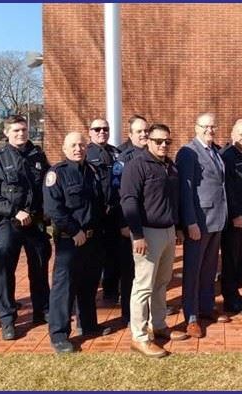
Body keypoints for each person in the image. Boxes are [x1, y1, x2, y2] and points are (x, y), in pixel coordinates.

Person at [0, 115, 52, 340]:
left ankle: (42, 311)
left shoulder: (38, 156)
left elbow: (48, 186)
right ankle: (8, 319)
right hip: (9, 223)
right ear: (6, 133)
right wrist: (13, 211)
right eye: (16, 131)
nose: (21, 134)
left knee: (39, 268)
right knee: (4, 272)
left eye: (23, 130)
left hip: (35, 222)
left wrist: (47, 213)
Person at [120, 123, 189, 358]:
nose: (163, 145)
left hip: (168, 231)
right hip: (147, 234)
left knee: (162, 283)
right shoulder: (136, 166)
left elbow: (175, 200)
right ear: (148, 140)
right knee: (143, 286)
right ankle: (139, 337)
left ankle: (158, 326)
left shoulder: (170, 166)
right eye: (158, 141)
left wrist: (177, 227)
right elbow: (128, 201)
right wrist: (137, 234)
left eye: (167, 142)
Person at [44, 132, 113, 353]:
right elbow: (54, 209)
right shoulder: (57, 174)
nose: (78, 149)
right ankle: (59, 334)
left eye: (81, 145)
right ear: (64, 149)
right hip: (70, 242)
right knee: (64, 289)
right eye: (73, 145)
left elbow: (100, 204)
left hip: (94, 239)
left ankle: (88, 325)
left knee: (89, 284)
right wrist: (74, 231)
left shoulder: (92, 171)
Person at [176, 112, 228, 338]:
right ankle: (191, 316)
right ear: (196, 128)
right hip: (199, 221)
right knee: (193, 270)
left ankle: (206, 307)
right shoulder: (189, 152)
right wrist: (190, 222)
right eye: (205, 126)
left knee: (208, 268)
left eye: (213, 127)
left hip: (216, 219)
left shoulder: (214, 151)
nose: (210, 130)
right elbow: (185, 191)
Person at [85, 118, 134, 327]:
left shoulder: (116, 153)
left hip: (116, 214)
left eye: (105, 128)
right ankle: (91, 312)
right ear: (90, 132)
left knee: (119, 258)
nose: (102, 132)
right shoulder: (85, 153)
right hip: (95, 217)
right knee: (94, 263)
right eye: (97, 129)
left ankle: (115, 295)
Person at [219, 118, 242, 317]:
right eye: (241, 134)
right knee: (231, 260)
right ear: (232, 134)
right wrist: (235, 214)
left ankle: (236, 295)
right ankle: (230, 300)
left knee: (241, 258)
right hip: (235, 218)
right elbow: (227, 188)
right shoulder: (227, 156)